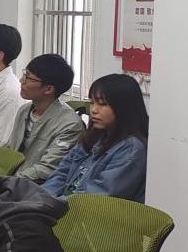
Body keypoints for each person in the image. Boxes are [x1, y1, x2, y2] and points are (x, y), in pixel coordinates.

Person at [41, 74, 148, 203]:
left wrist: (51, 206)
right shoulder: (95, 135)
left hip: (88, 212)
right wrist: (39, 200)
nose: (94, 110)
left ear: (123, 108)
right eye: (92, 102)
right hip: (61, 205)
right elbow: (62, 173)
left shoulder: (131, 148)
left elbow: (99, 197)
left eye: (103, 104)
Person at [4, 54, 84, 183]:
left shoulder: (70, 124)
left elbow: (47, 168)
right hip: (12, 182)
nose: (21, 80)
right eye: (25, 74)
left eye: (28, 77)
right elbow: (10, 150)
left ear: (48, 89)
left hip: (38, 187)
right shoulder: (24, 110)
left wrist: (6, 182)